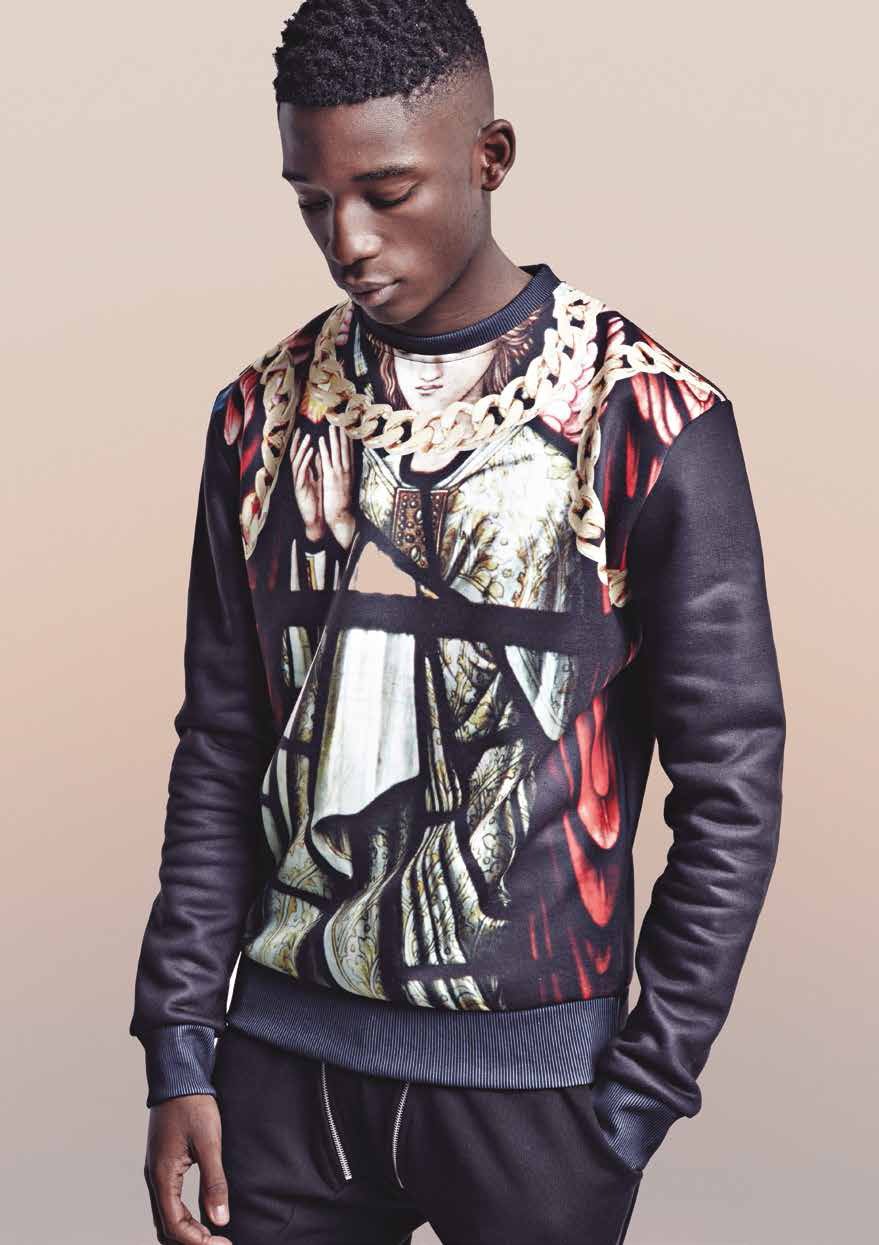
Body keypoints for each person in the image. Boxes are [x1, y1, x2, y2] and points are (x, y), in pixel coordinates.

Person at [130, 2, 787, 1243]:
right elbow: (220, 745)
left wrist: (642, 1092)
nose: (348, 240)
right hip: (279, 1076)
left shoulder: (647, 419)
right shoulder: (258, 418)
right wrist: (178, 1048)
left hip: (539, 1100)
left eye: (387, 192)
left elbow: (733, 782)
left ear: (491, 156)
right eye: (313, 200)